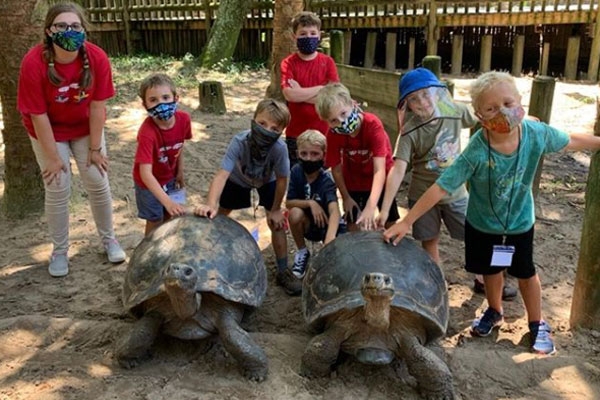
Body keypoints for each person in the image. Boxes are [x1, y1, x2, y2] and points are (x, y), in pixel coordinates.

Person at [383, 71, 600, 355]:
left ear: (520, 101)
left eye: (508, 103)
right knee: (490, 270)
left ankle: (537, 323)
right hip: (483, 225)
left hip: (520, 223)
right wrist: (406, 220)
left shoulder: (536, 134)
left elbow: (569, 139)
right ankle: (495, 310)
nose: (503, 112)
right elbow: (442, 186)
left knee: (526, 273)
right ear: (479, 116)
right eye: (491, 109)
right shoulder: (476, 150)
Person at [377, 68, 516, 301]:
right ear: (407, 104)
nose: (421, 102)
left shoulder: (453, 111)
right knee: (429, 241)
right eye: (413, 99)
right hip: (423, 197)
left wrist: (519, 121)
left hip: (456, 193)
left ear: (436, 92)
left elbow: (485, 117)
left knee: (476, 236)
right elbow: (398, 168)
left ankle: (485, 279)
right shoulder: (410, 130)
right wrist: (384, 208)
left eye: (425, 94)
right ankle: (437, 284)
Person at [17, 2, 125, 278]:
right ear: (49, 31)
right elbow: (38, 115)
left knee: (97, 179)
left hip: (86, 127)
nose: (69, 31)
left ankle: (109, 239)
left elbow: (98, 107)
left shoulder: (97, 58)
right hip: (47, 129)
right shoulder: (33, 62)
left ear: (84, 29)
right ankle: (60, 250)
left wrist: (95, 149)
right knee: (57, 184)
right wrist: (53, 157)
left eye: (75, 26)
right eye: (62, 26)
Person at [195, 99, 301, 295]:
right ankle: (208, 258)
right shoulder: (239, 141)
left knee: (277, 223)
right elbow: (222, 175)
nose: (267, 130)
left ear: (281, 132)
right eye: (262, 124)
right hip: (238, 179)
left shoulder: (279, 148)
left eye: (274, 128)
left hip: (267, 180)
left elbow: (282, 179)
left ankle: (283, 269)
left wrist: (277, 208)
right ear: (253, 120)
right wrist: (211, 203)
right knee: (219, 215)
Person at [315, 82, 400, 231]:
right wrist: (346, 197)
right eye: (333, 120)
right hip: (353, 180)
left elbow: (379, 169)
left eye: (343, 114)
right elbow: (336, 169)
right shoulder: (333, 135)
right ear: (326, 122)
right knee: (352, 222)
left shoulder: (372, 124)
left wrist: (370, 206)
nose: (342, 122)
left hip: (381, 178)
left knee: (389, 221)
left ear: (352, 104)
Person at [133, 73, 191, 236]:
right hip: (148, 184)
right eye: (153, 100)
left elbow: (180, 146)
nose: (161, 104)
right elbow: (145, 173)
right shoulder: (147, 133)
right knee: (155, 219)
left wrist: (179, 172)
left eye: (166, 97)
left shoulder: (184, 120)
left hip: (170, 177)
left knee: (168, 217)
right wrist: (168, 202)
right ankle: (147, 254)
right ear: (145, 105)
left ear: (176, 97)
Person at [281, 11, 339, 168]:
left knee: (323, 180)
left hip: (324, 133)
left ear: (319, 35)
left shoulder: (328, 62)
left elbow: (333, 98)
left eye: (313, 33)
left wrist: (301, 92)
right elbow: (289, 94)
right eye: (303, 33)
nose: (308, 37)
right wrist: (322, 89)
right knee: (296, 178)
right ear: (295, 36)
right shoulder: (288, 63)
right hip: (295, 134)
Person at [286, 130, 341, 279]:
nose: (309, 159)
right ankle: (302, 252)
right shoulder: (296, 171)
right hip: (308, 223)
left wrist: (330, 238)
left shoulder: (326, 180)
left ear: (324, 154)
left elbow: (334, 210)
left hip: (328, 226)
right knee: (295, 213)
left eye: (315, 154)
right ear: (297, 154)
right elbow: (289, 202)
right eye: (304, 154)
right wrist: (311, 203)